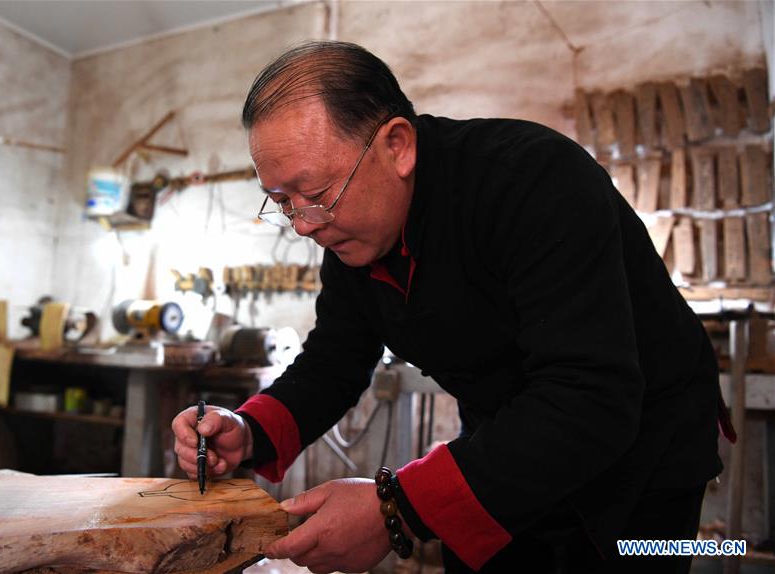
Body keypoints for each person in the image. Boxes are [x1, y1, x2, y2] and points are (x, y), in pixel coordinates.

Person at [172, 41, 732, 573]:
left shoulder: (533, 179)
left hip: (641, 451)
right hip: (507, 440)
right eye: (282, 203)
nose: (303, 225)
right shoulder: (352, 233)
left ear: (397, 146)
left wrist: (396, 507)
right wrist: (248, 428)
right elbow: (334, 359)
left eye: (315, 195)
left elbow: (590, 393)